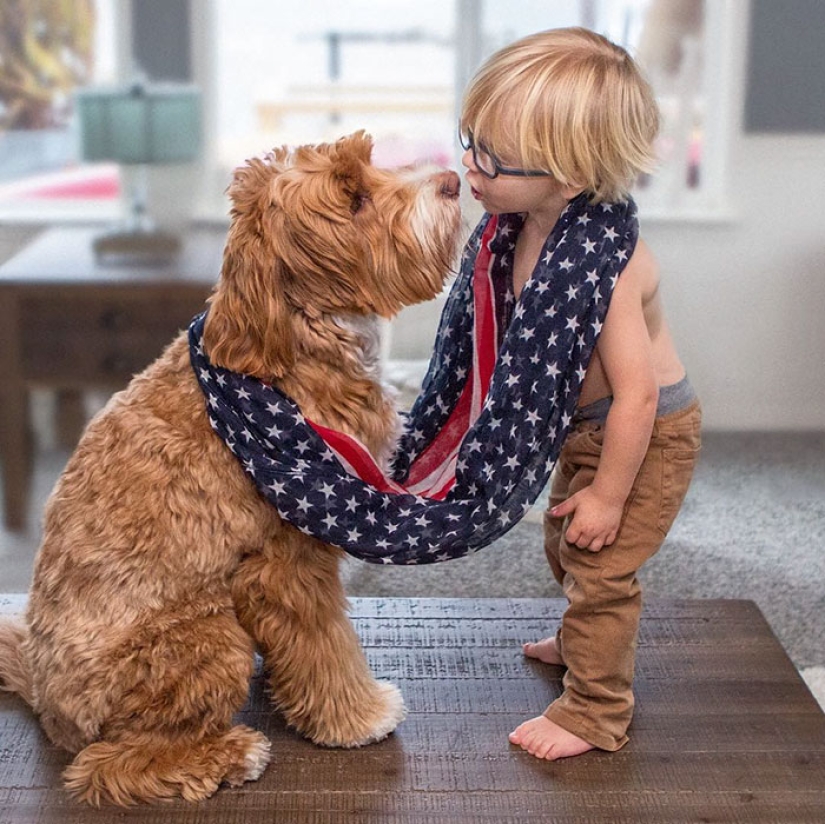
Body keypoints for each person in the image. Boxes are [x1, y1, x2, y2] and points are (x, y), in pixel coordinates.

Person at [457, 27, 702, 760]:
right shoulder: (521, 223)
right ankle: (576, 640)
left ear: (566, 177)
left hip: (643, 433)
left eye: (490, 159)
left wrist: (609, 494)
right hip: (583, 429)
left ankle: (594, 711)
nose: (469, 166)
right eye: (468, 139)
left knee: (600, 567)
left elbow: (637, 398)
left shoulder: (609, 264)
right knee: (563, 548)